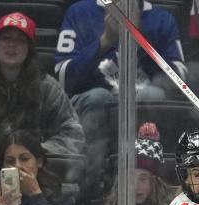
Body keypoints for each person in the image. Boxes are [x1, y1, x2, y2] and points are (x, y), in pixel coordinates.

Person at [0, 12, 84, 197]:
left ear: (29, 49)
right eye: (6, 38)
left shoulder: (49, 88)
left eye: (20, 40)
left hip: (39, 170)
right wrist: (1, 155)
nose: (12, 45)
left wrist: (31, 156)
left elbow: (73, 133)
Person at [54, 0, 184, 180]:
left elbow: (178, 79)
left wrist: (140, 41)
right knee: (98, 97)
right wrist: (105, 41)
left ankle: (146, 177)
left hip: (141, 102)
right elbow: (63, 75)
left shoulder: (161, 19)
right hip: (93, 102)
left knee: (152, 95)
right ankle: (89, 179)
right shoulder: (80, 12)